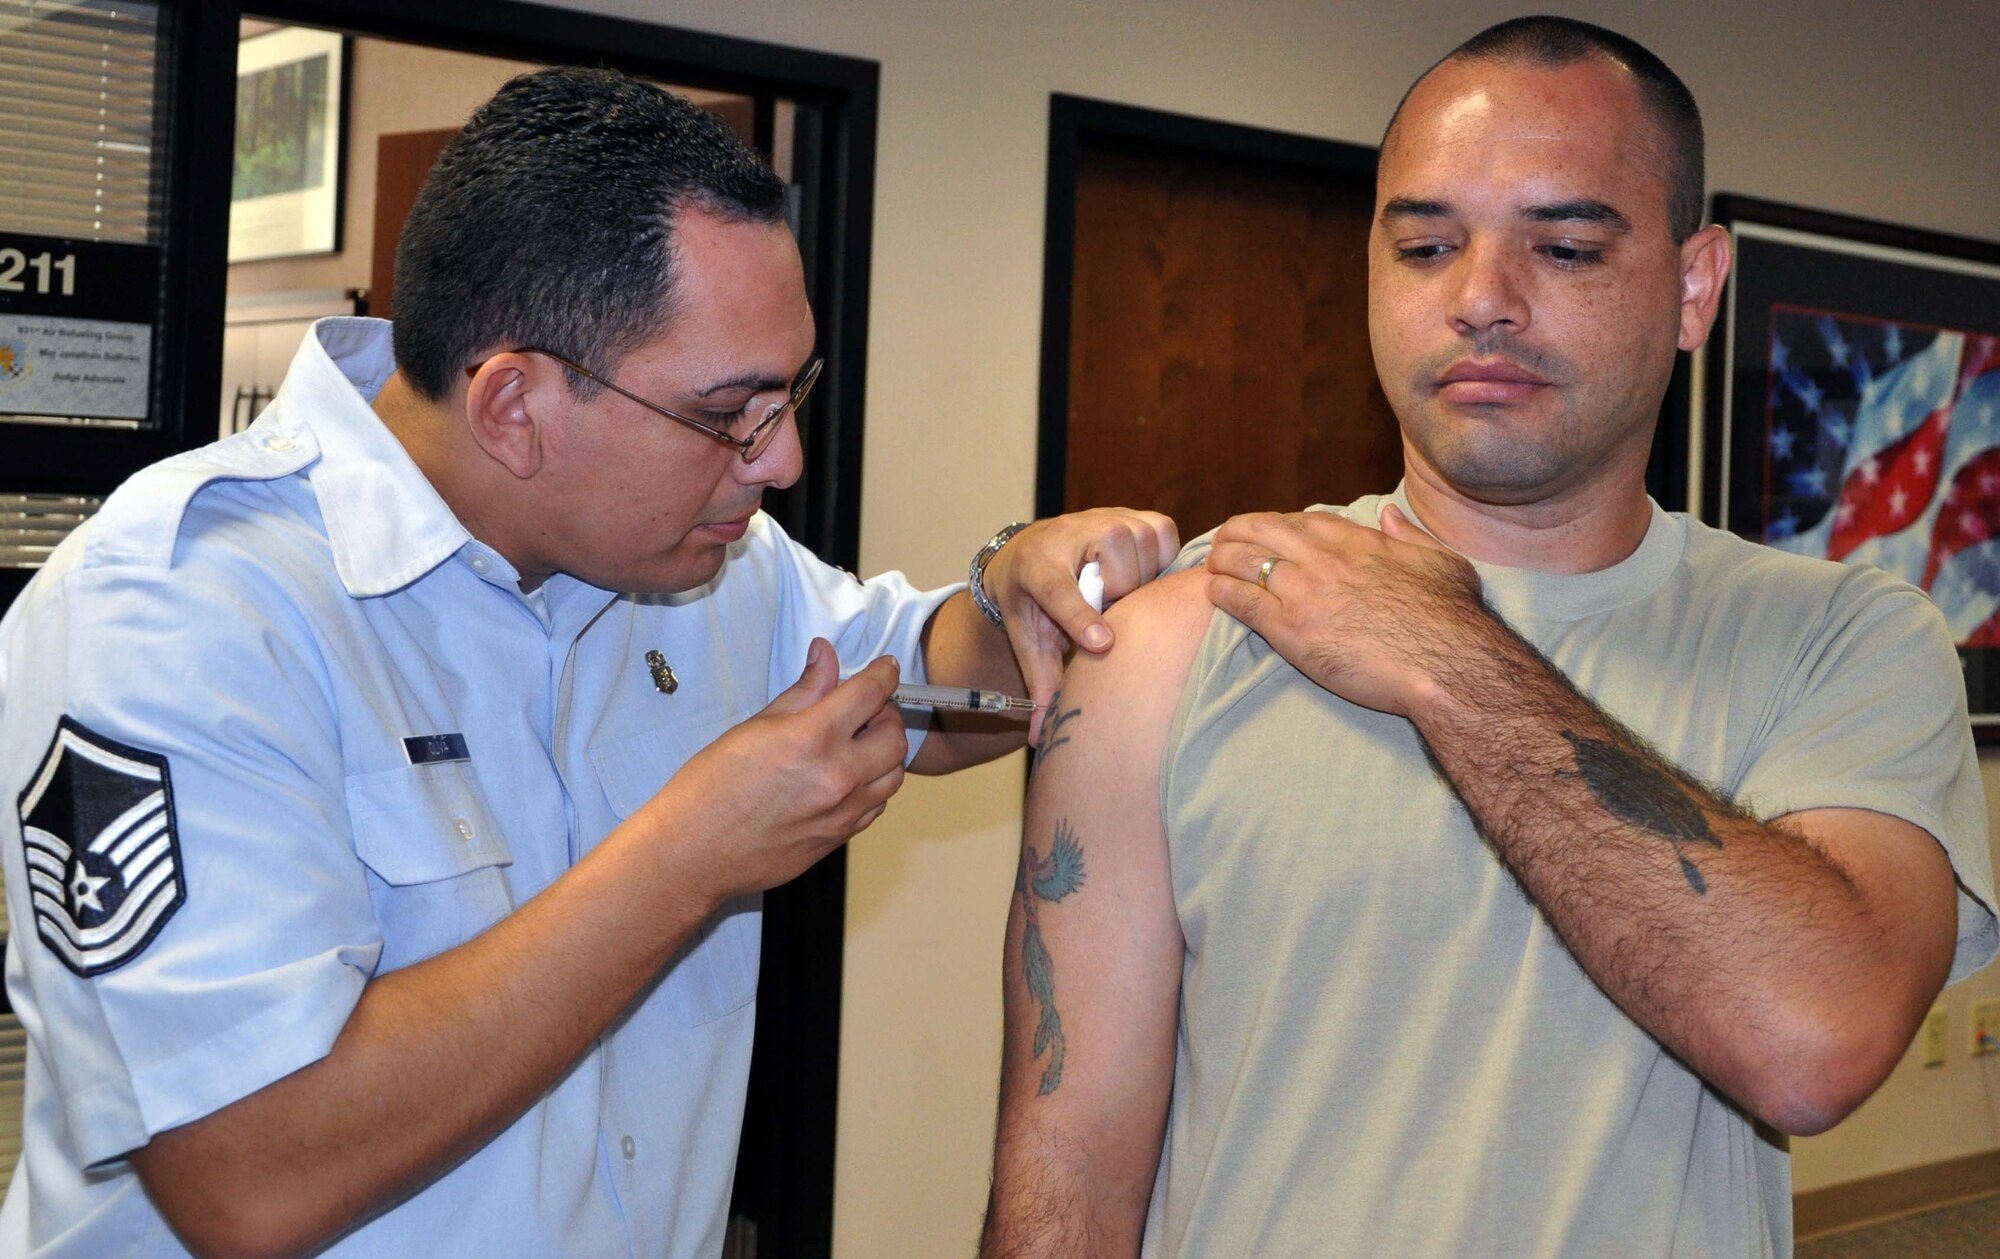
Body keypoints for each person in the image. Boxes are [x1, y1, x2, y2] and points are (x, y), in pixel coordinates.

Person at [0, 68, 1175, 1258]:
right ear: (513, 403)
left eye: (792, 392)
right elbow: (243, 1174)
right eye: (731, 413)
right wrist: (688, 854)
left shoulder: (699, 563)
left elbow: (926, 682)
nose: (780, 462)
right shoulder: (177, 611)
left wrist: (1027, 588)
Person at [981, 16, 1997, 1259]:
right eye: (1422, 245)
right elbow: (1067, 1176)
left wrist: (1442, 654)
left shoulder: (1840, 640)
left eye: (1561, 246)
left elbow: (1811, 1035)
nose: (1477, 301)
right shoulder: (1179, 635)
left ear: (1693, 288)